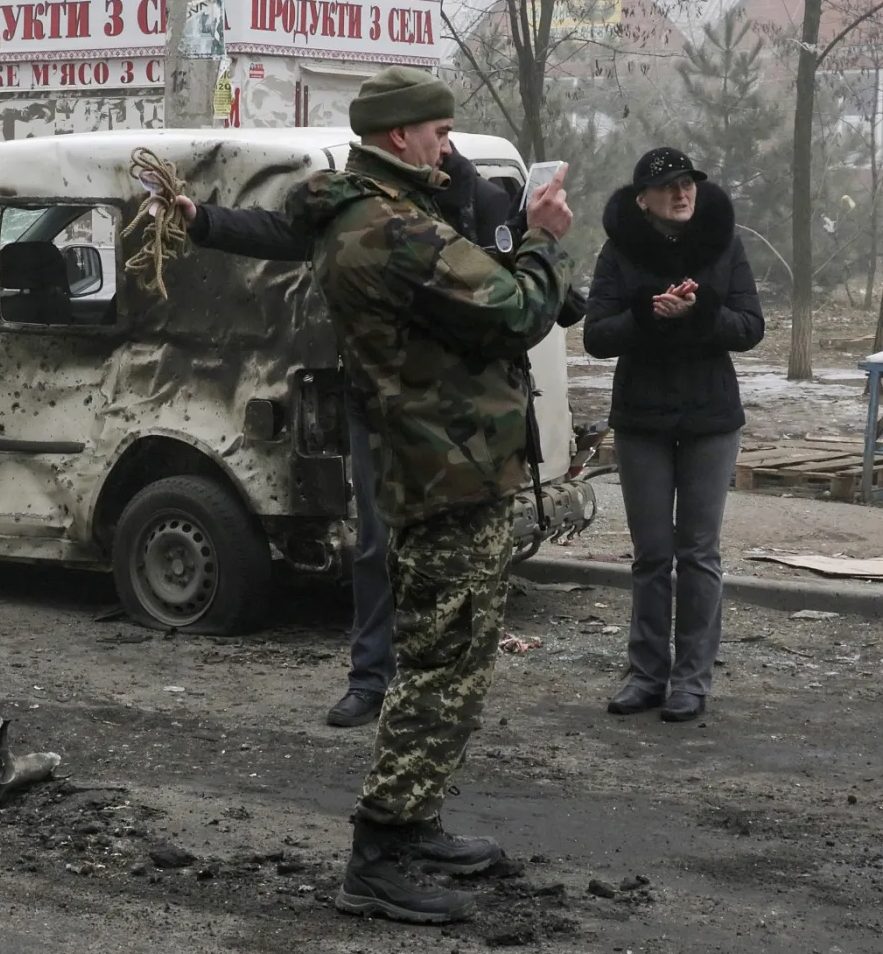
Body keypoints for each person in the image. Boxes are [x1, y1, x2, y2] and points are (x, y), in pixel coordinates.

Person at [285, 66, 575, 924]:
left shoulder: (380, 213)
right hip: (444, 467)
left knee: (447, 658)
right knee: (439, 666)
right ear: (398, 135)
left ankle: (413, 822)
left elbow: (469, 302)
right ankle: (378, 854)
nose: (446, 147)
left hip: (444, 461)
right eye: (439, 133)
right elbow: (516, 309)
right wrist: (542, 237)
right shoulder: (391, 227)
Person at [172, 144, 519, 729]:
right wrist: (204, 219)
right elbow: (285, 232)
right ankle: (370, 680)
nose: (441, 143)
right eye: (434, 131)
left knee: (447, 550)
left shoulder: (473, 197)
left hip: (451, 408)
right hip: (375, 400)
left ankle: (439, 688)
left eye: (445, 132)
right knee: (377, 545)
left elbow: (509, 287)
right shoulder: (362, 201)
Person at [582, 148, 764, 722]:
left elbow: (750, 327)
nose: (682, 194)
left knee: (699, 552)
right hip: (643, 420)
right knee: (652, 554)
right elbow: (595, 337)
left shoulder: (723, 245)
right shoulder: (619, 251)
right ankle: (645, 675)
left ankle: (691, 681)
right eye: (668, 187)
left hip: (710, 418)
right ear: (643, 200)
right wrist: (647, 313)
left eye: (687, 184)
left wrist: (701, 309)